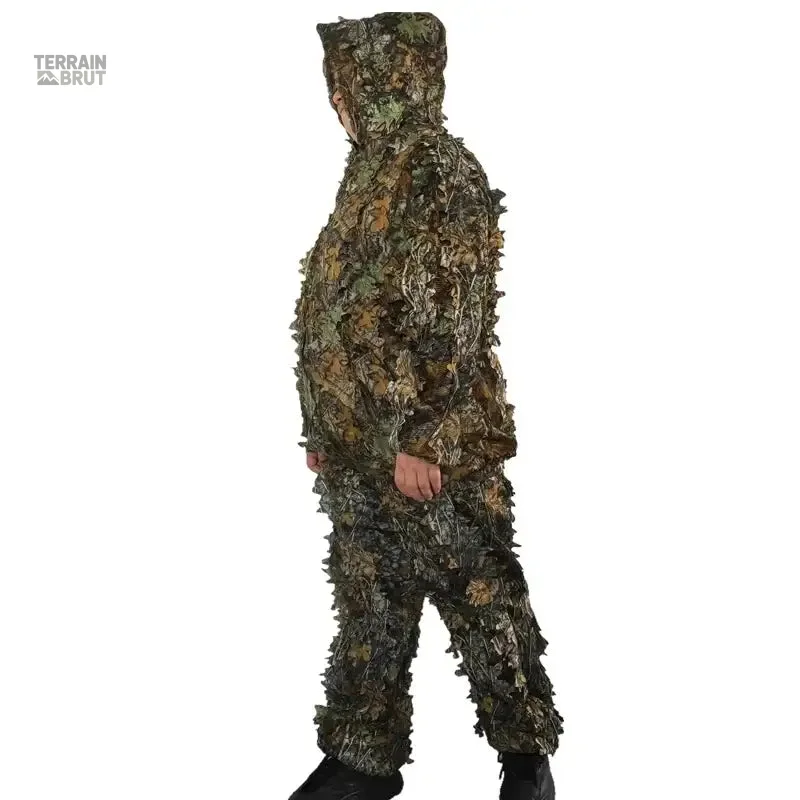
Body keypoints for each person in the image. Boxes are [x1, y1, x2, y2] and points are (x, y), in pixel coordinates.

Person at [288, 12, 563, 800]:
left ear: (385, 81)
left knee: (478, 594)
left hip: (426, 448)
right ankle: (361, 760)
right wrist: (326, 422)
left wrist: (424, 436)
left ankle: (526, 762)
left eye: (347, 82)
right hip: (361, 447)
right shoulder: (369, 172)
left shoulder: (436, 170)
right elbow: (342, 307)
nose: (335, 99)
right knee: (369, 602)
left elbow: (453, 314)